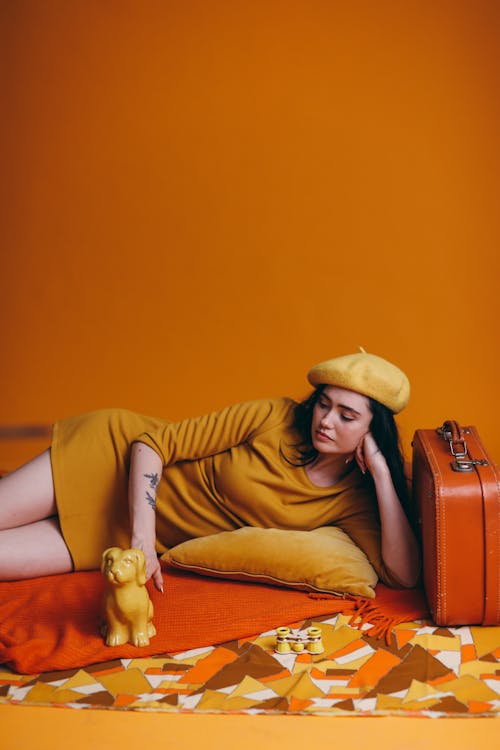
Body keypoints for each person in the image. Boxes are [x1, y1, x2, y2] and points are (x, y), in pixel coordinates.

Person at [0, 350, 420, 591]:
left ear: (372, 432)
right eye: (325, 404)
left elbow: (404, 576)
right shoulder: (274, 416)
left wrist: (381, 473)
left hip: (113, 535)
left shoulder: (353, 500)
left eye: (347, 416)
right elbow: (152, 444)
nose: (326, 420)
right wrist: (142, 542)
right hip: (108, 463)